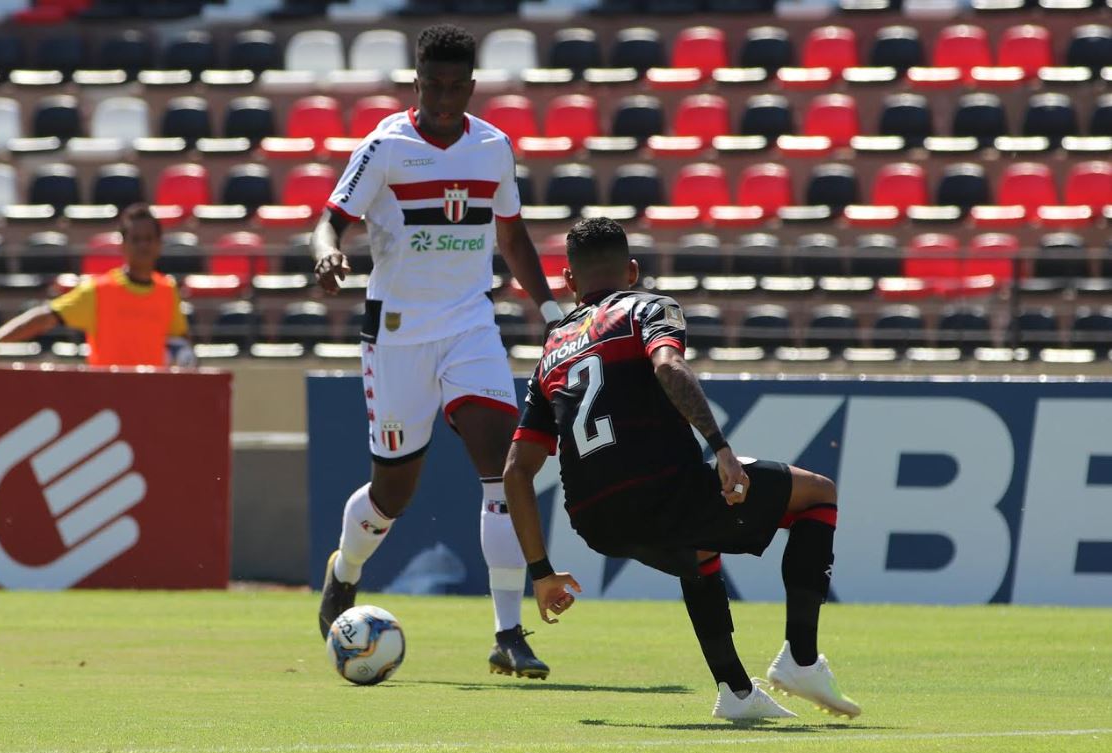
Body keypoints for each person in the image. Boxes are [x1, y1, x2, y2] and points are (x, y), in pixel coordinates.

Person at [502, 217, 862, 720]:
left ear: (568, 281)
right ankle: (801, 659)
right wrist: (720, 448)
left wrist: (540, 573)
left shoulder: (552, 349)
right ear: (631, 270)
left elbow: (516, 470)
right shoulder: (647, 307)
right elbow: (668, 366)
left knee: (698, 548)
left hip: (594, 521)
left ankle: (736, 693)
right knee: (818, 494)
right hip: (662, 488)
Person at [312, 24, 563, 679]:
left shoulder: (492, 146)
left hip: (469, 326)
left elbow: (513, 239)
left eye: (457, 87)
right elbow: (330, 218)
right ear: (415, 83)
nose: (445, 99)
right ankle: (346, 569)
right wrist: (327, 252)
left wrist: (553, 311)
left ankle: (509, 632)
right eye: (433, 86)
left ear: (471, 86)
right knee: (392, 492)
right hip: (397, 334)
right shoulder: (385, 146)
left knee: (504, 470)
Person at [0, 203, 190, 369]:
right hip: (106, 400)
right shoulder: (98, 290)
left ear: (160, 244)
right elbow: (45, 317)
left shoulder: (167, 290)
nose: (143, 245)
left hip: (152, 399)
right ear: (123, 245)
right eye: (136, 239)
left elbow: (180, 339)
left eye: (149, 238)